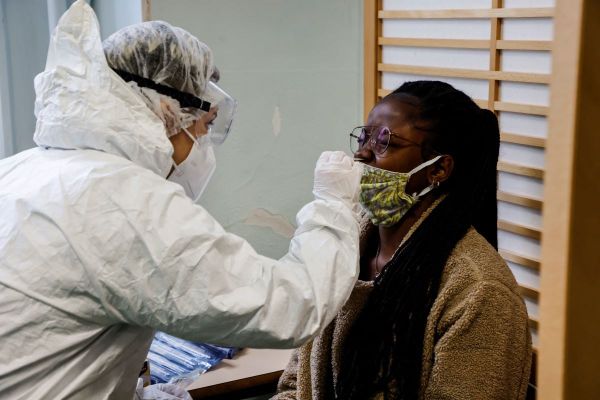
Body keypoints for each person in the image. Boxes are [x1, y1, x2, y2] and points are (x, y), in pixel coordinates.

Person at [0, 1, 363, 399]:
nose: (204, 144)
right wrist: (332, 204)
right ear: (169, 110)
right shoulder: (128, 202)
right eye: (206, 126)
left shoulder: (24, 168)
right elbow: (292, 305)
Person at [274, 81, 532, 400]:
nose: (361, 153)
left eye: (385, 143)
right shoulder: (342, 251)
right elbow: (296, 384)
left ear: (438, 169)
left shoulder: (479, 294)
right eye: (364, 136)